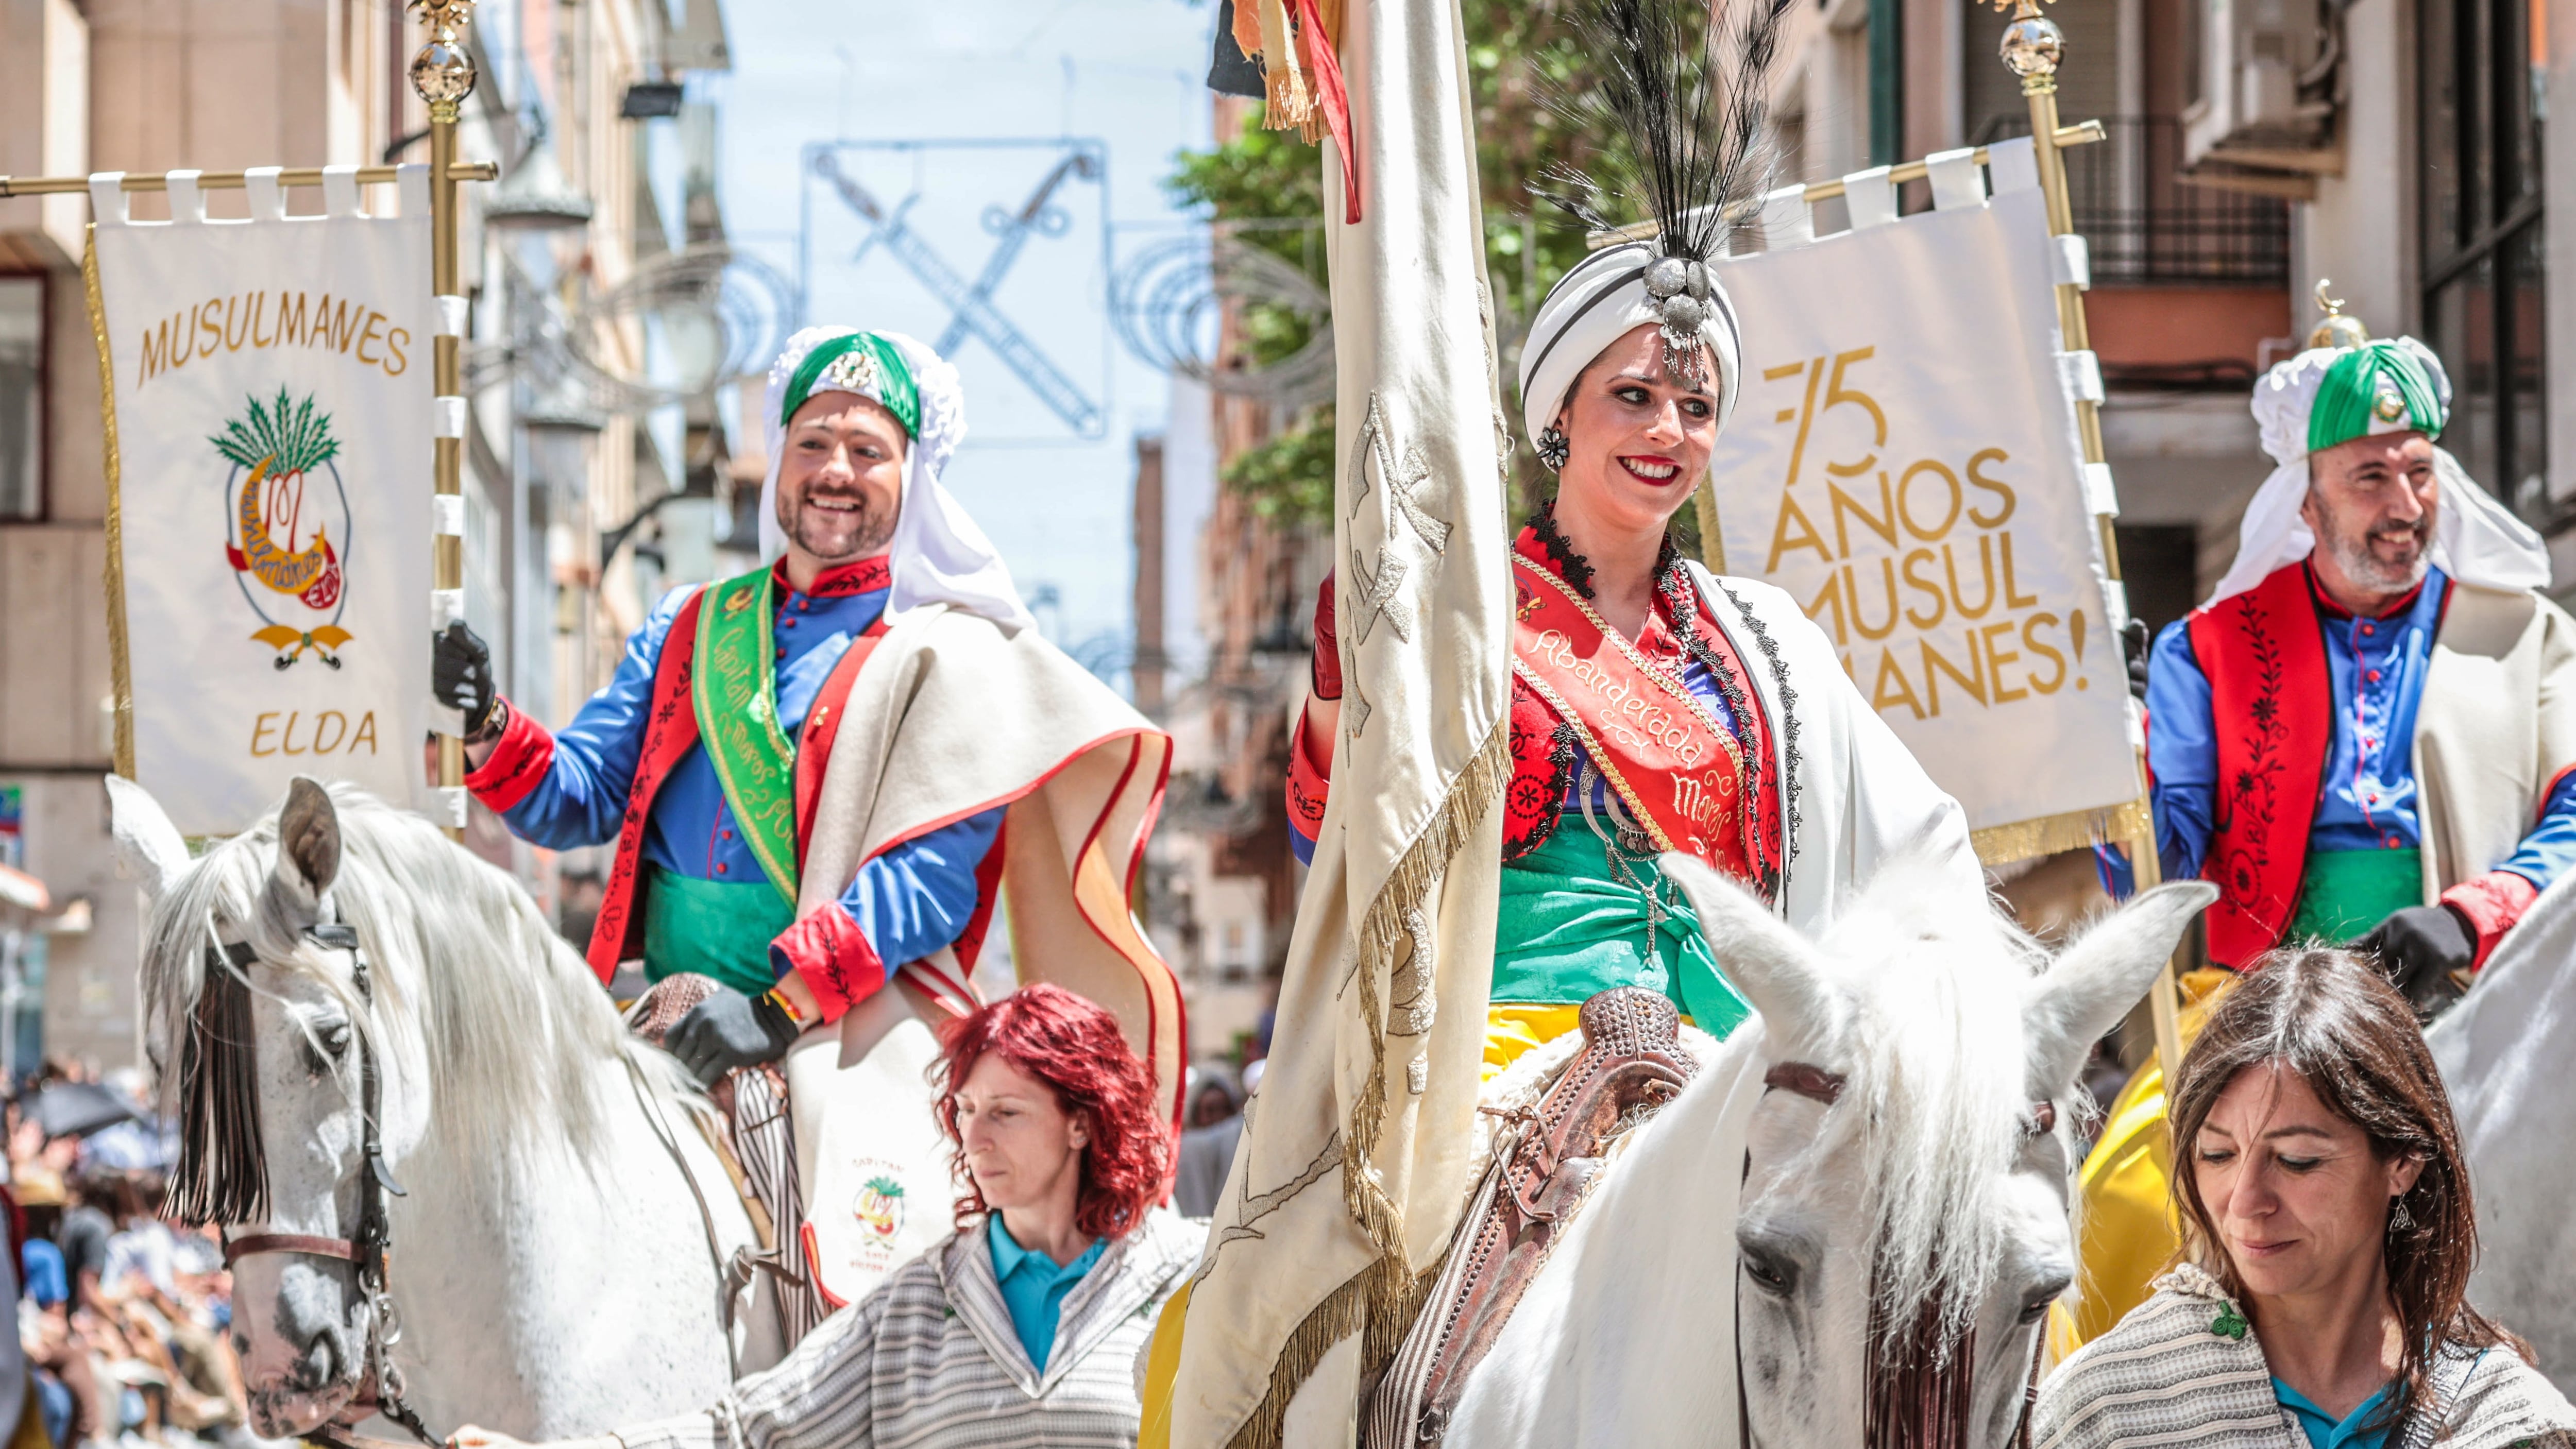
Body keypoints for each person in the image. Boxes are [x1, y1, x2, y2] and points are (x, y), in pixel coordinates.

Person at [432, 327, 1178, 1094]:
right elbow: (576, 799)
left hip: (847, 1038)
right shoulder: (689, 624)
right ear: (781, 462)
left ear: (914, 476)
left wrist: (777, 1008)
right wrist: (484, 717)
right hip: (661, 1019)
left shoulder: (948, 652)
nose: (835, 471)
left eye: (868, 450)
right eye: (813, 442)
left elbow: (927, 880)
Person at [2071, 304, 2576, 1349]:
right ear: (2305, 501)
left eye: (2420, 472)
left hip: (2472, 989)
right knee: (2120, 1204)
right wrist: (2108, 762)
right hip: (2259, 1002)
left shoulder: (2528, 630)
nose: (2405, 505)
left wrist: (2472, 915)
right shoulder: (2206, 647)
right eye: (2371, 478)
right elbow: (2159, 872)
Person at [448, 984, 1199, 1449]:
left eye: (1006, 1112)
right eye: (965, 1110)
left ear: (1082, 1122)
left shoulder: (1189, 1279)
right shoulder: (910, 1309)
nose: (974, 1138)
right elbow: (745, 1432)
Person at [2033, 949, 2576, 1447]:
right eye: (2217, 1155)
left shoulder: (2506, 1422)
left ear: (2402, 1162)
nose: (2244, 1202)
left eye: (2296, 1160)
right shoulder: (2107, 1411)